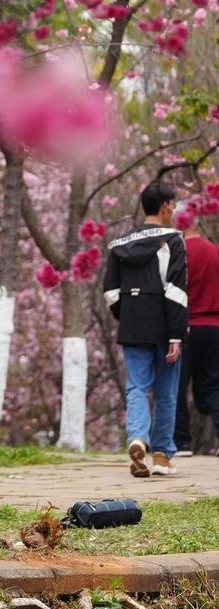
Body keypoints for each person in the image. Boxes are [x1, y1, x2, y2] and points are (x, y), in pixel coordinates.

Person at [103, 181, 187, 479]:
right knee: (166, 392)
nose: (175, 210)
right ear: (165, 206)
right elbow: (176, 289)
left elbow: (111, 291)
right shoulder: (173, 240)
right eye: (173, 205)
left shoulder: (119, 244)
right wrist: (176, 334)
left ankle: (138, 438)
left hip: (133, 322)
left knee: (137, 386)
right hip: (165, 323)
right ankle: (162, 456)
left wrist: (127, 316)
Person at [173, 216, 219, 456]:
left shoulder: (180, 253)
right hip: (214, 327)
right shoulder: (214, 252)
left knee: (177, 385)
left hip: (187, 327)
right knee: (213, 385)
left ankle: (181, 442)